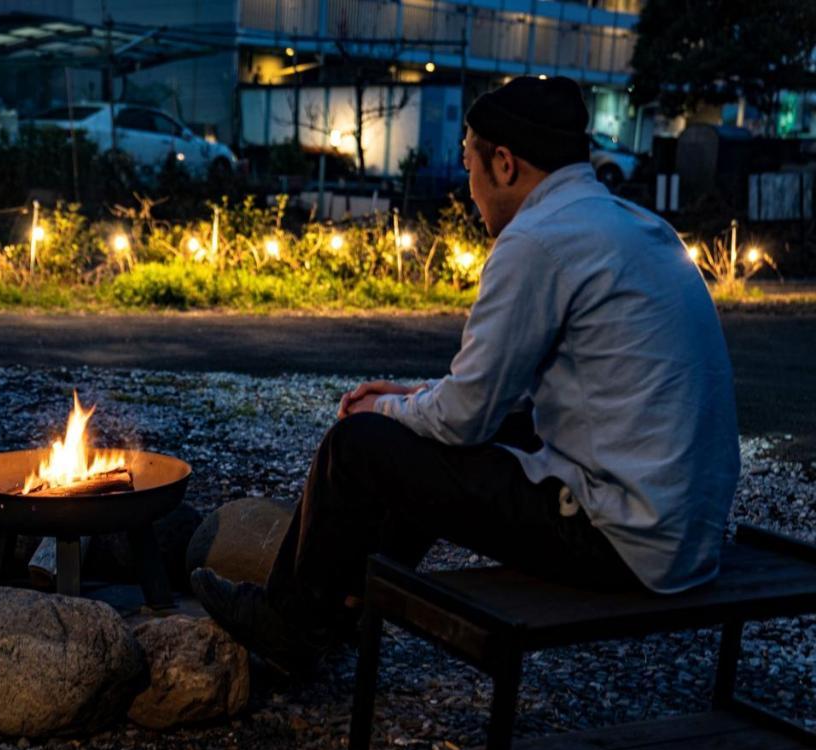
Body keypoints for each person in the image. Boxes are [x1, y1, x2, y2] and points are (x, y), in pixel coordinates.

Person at [190, 76, 741, 675]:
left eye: (468, 164)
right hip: (682, 538)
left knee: (356, 446)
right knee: (440, 435)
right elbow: (495, 399)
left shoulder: (536, 240)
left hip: (618, 541)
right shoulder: (633, 226)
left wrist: (386, 414)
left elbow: (464, 417)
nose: (467, 188)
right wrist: (412, 400)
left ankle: (291, 621)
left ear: (504, 163)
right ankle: (347, 605)